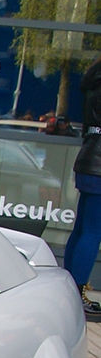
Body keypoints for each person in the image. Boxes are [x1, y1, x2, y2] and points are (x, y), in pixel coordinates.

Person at [63, 57, 101, 319]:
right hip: (99, 166)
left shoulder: (93, 83)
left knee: (82, 229)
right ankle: (76, 294)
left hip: (89, 159)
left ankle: (68, 289)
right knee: (92, 232)